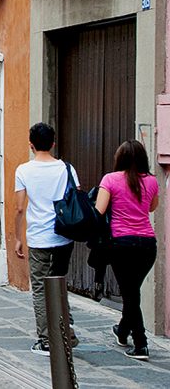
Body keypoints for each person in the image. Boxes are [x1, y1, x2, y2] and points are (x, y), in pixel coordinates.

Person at [13, 122, 80, 356]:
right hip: (63, 236)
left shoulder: (23, 170)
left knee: (41, 288)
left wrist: (17, 238)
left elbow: (20, 208)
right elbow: (76, 197)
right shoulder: (67, 169)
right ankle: (66, 327)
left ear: (31, 144)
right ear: (53, 143)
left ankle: (46, 339)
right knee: (59, 283)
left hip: (39, 238)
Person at [95, 140, 160, 361]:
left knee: (130, 293)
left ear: (120, 158)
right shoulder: (151, 181)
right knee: (132, 291)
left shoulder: (110, 180)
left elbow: (99, 210)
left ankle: (141, 344)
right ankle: (123, 330)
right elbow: (152, 207)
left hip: (121, 244)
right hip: (147, 245)